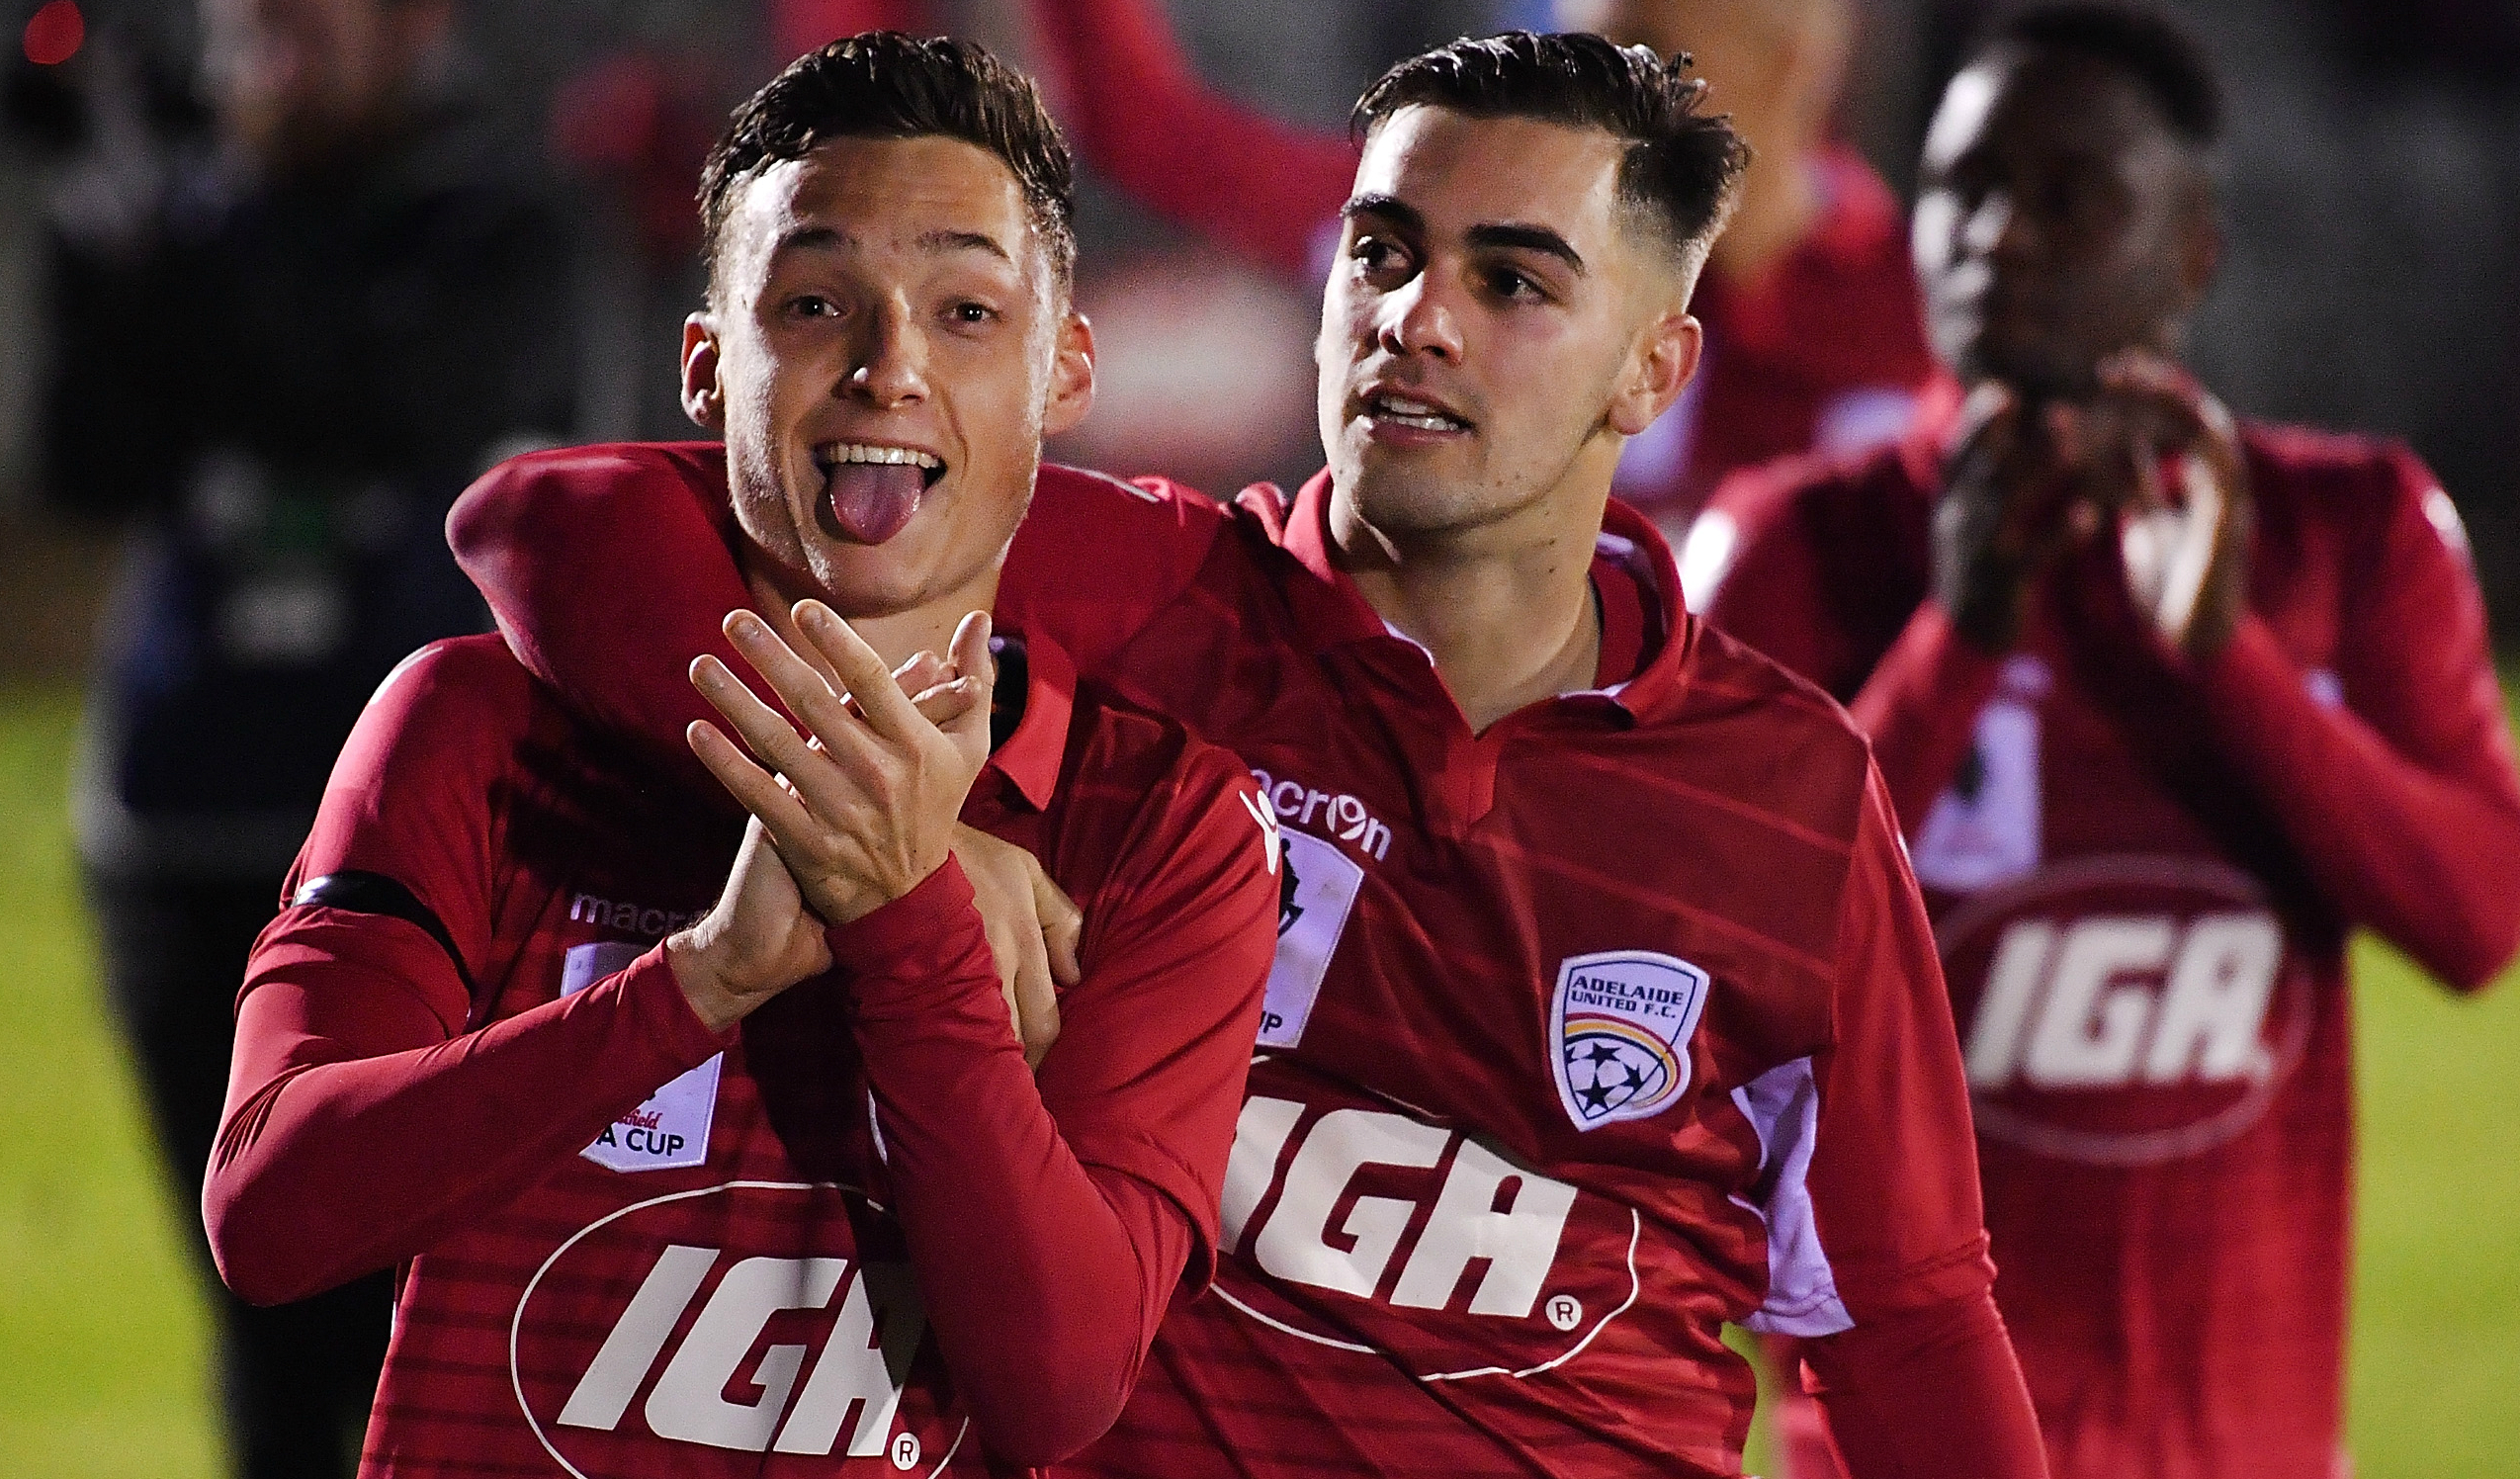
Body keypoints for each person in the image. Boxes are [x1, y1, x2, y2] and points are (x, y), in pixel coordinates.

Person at [454, 32, 2049, 1479]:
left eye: (1510, 281)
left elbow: (1901, 1327)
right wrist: (880, 815)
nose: (1414, 321)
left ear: (1650, 367)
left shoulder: (1784, 794)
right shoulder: (1143, 599)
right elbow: (558, 517)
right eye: (1380, 252)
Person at [202, 35, 1280, 1476]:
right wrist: (698, 980)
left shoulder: (1163, 830)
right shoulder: (471, 725)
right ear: (707, 368)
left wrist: (905, 921)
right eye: (816, 302)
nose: (888, 366)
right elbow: (270, 1214)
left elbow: (1059, 1384)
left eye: (966, 310)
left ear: (1064, 370)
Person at [1684, 6, 2520, 1476]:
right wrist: (1954, 640)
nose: (1998, 235)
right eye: (1963, 188)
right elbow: (1695, 950)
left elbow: (2474, 916)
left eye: (2068, 192)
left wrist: (2221, 660)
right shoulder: (1784, 544)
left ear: (2191, 247)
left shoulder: (2349, 530)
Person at [34, 0, 576, 1471]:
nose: (262, 45)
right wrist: (111, 232)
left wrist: (189, 238)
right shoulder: (176, 218)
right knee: (260, 1287)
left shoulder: (495, 224)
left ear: (412, 31)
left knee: (418, 1298)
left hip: (416, 842)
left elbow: (386, 399)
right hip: (182, 817)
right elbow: (87, 453)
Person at [1023, 0, 1932, 530]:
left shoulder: (1928, 310)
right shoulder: (1451, 226)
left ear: (1793, 64)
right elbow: (1149, 130)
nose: (1611, 104)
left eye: (1659, 55)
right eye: (1601, 56)